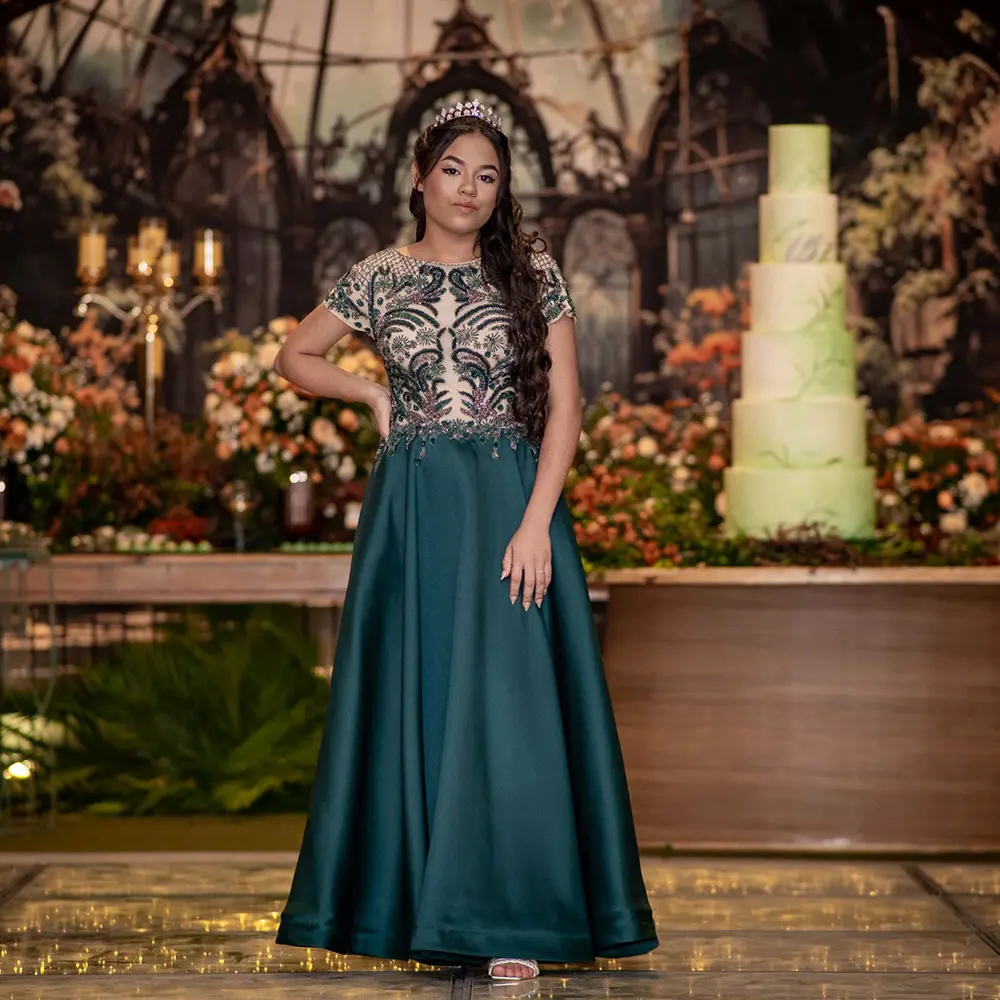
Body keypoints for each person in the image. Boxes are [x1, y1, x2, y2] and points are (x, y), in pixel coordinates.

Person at [271, 98, 658, 983]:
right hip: (413, 512)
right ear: (420, 178)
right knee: (420, 696)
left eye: (487, 176)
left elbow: (567, 408)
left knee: (509, 707)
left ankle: (513, 916)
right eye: (453, 170)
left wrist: (536, 523)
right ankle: (420, 912)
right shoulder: (378, 275)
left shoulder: (531, 269)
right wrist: (371, 394)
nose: (469, 189)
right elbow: (295, 356)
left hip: (510, 506)